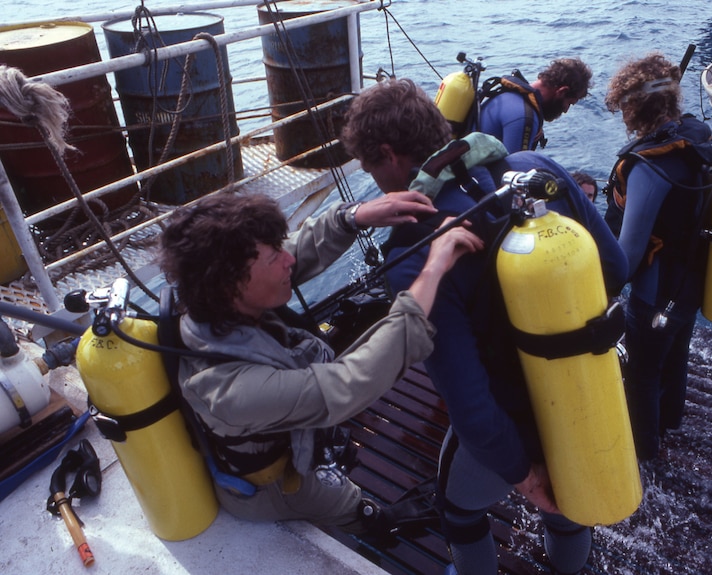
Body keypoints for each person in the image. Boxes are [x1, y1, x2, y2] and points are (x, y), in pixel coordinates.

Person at [341, 78, 628, 575]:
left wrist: (522, 476)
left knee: (460, 510)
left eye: (370, 167)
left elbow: (471, 408)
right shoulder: (536, 170)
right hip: (588, 387)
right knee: (570, 501)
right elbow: (616, 268)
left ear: (389, 155)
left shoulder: (412, 253)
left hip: (511, 416)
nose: (378, 181)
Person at [158, 191, 483, 534]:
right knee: (342, 502)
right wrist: (434, 266)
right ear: (230, 285)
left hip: (282, 427)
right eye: (274, 258)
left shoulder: (210, 303)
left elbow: (293, 251)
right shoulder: (230, 391)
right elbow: (351, 383)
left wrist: (354, 215)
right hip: (277, 487)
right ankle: (374, 524)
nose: (289, 261)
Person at [603, 52, 712, 461]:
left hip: (655, 293)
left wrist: (601, 291)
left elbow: (630, 252)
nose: (623, 117)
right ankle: (671, 423)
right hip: (692, 280)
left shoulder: (648, 167)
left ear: (636, 106)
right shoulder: (698, 138)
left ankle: (644, 457)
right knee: (676, 356)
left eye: (624, 107)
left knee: (642, 374)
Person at [478, 58, 592, 153]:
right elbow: (512, 172)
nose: (566, 110)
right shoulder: (525, 117)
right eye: (569, 103)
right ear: (562, 91)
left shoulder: (510, 96)